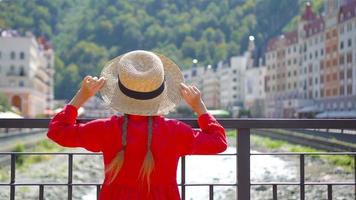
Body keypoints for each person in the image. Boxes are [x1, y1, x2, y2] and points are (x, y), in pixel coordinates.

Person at [47, 50, 227, 200]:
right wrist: (199, 107)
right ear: (160, 94)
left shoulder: (106, 129)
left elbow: (58, 131)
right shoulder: (175, 131)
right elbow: (218, 142)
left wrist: (82, 96)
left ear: (120, 93)